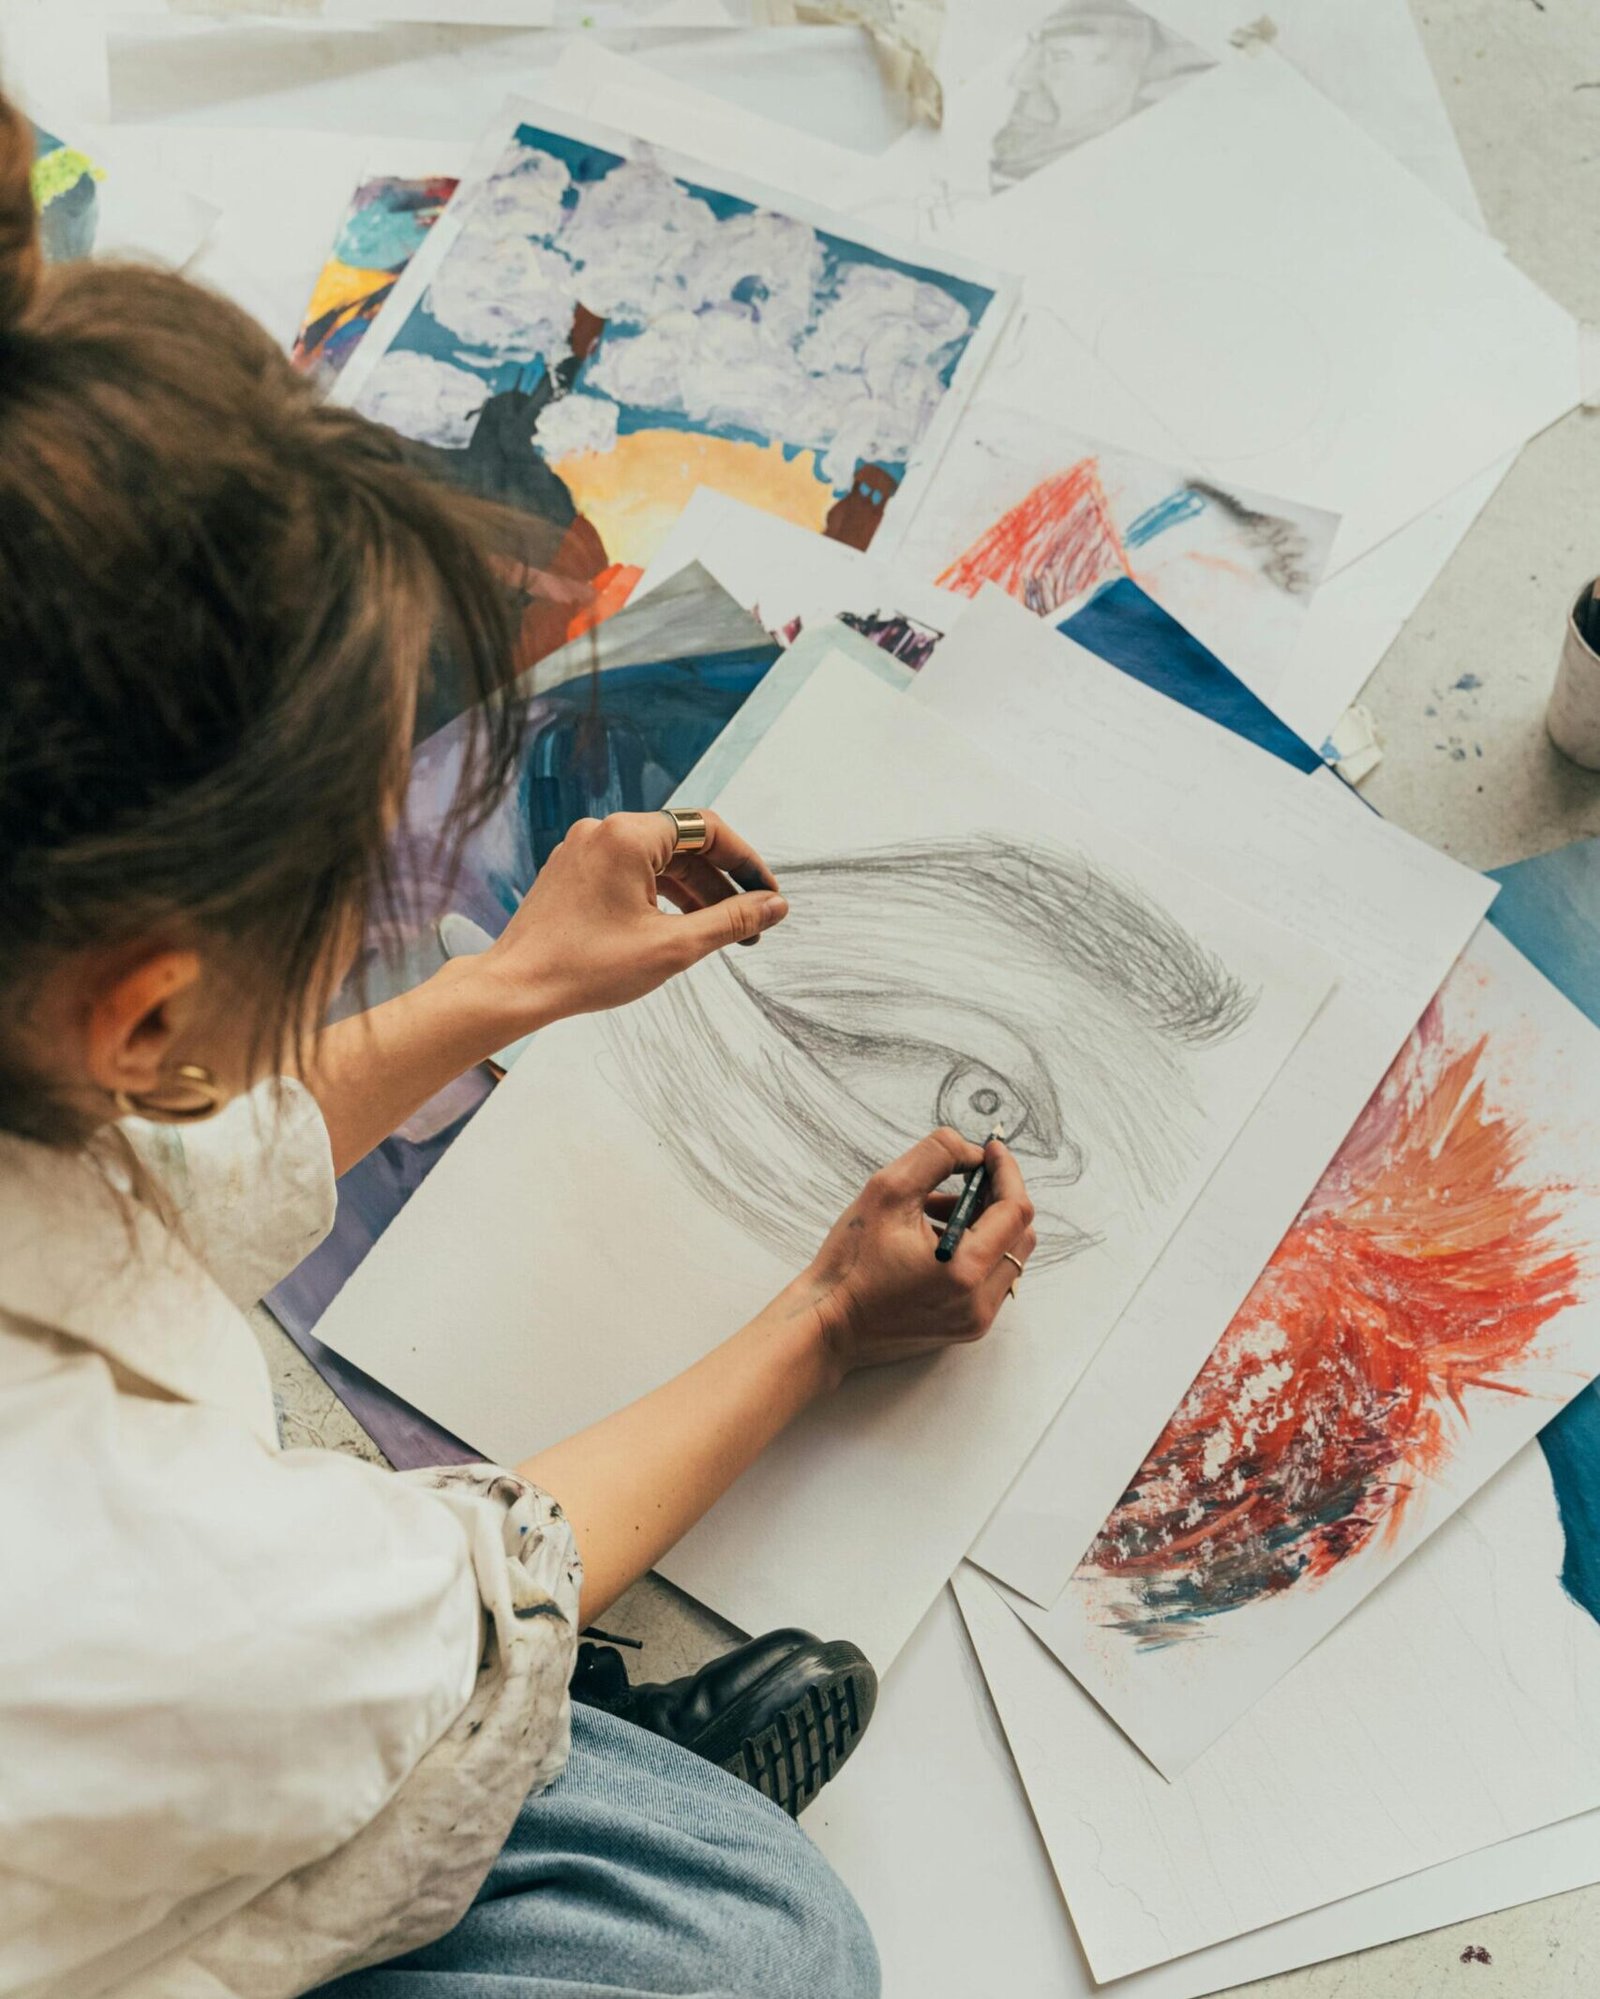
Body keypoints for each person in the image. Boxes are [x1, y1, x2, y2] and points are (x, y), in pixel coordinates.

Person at [0, 92, 1036, 1999]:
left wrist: (506, 986)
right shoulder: (164, 1597)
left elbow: (119, 1188)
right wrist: (823, 1318)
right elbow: (460, 1611)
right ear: (145, 1014)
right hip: (133, 1781)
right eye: (333, 893)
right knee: (755, 1937)